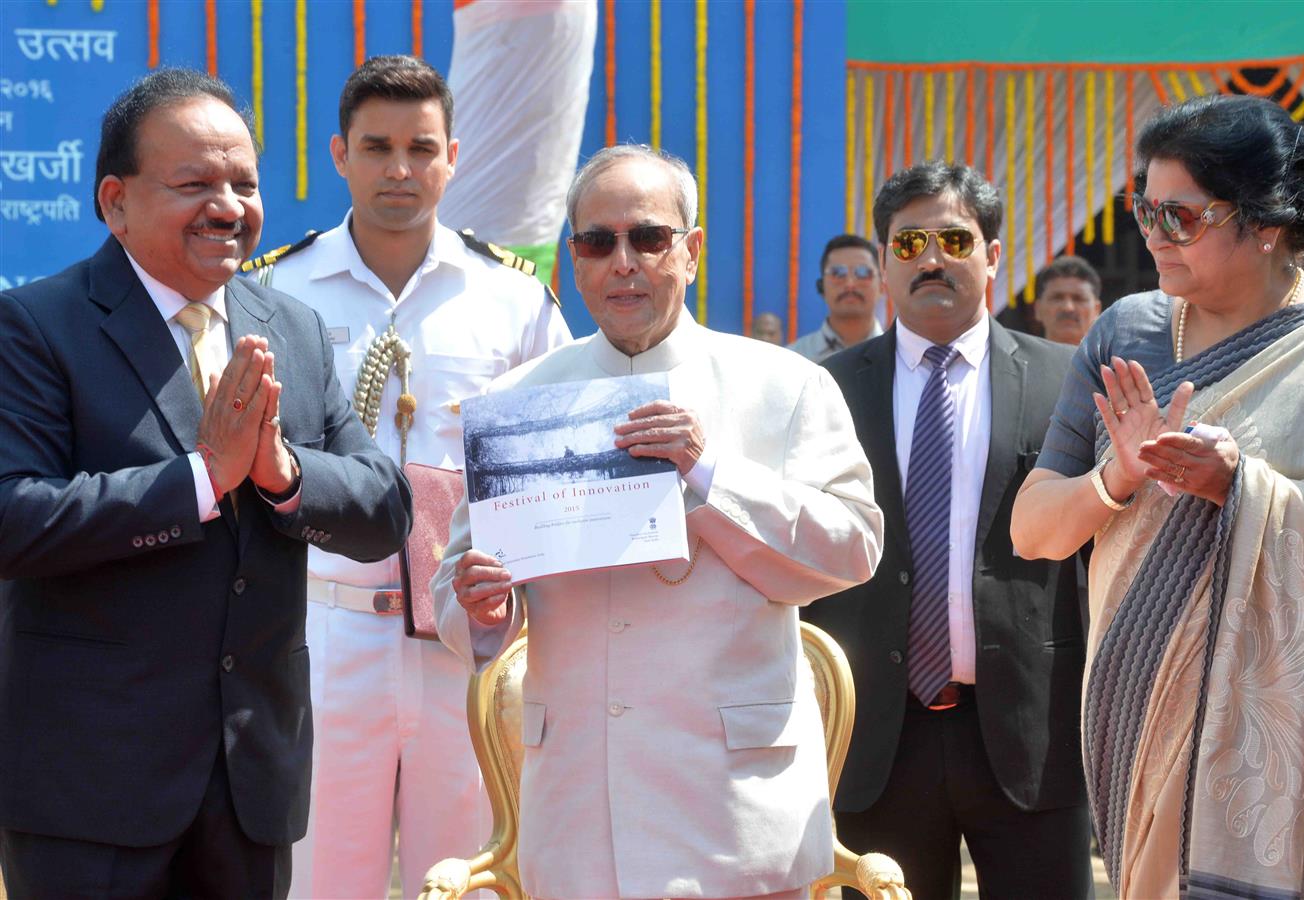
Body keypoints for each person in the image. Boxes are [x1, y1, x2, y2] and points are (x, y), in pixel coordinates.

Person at [0, 68, 413, 899]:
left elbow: (384, 509)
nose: (227, 206)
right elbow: (14, 519)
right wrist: (200, 479)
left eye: (244, 182)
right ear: (115, 201)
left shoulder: (282, 324)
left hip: (251, 781)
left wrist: (284, 475)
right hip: (92, 788)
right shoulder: (38, 326)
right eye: (195, 183)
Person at [432, 144, 883, 900]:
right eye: (597, 241)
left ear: (692, 251)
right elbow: (458, 591)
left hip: (735, 807)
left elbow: (854, 549)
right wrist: (480, 607)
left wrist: (708, 475)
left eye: (648, 237)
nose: (623, 262)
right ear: (574, 260)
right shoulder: (518, 400)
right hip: (579, 803)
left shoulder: (784, 384)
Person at [248, 55, 572, 900]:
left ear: (453, 156)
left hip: (469, 636)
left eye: (421, 147)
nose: (400, 169)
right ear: (339, 155)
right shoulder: (277, 290)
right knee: (320, 877)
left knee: (464, 874)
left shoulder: (514, 300)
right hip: (323, 630)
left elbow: (556, 467)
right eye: (378, 146)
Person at [1010, 94, 1304, 899]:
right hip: (1132, 709)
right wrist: (1115, 478)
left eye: (1180, 216)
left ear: (1264, 223)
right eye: (1144, 209)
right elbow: (1032, 531)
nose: (1153, 235)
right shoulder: (1124, 332)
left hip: (1287, 741)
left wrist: (1244, 488)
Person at [803, 161, 1092, 900]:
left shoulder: (1066, 382)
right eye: (908, 244)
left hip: (1032, 732)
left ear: (993, 257)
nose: (931, 259)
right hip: (875, 740)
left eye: (954, 239)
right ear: (883, 261)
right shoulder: (825, 391)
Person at [788, 233, 884, 362]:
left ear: (882, 286)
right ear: (821, 287)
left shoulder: (900, 357)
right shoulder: (794, 359)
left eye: (863, 273)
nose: (850, 284)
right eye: (837, 273)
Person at [1032, 255, 1102, 345]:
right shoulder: (1015, 359)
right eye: (1057, 298)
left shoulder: (1115, 358)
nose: (1068, 308)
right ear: (1038, 309)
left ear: (1097, 310)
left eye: (1079, 299)